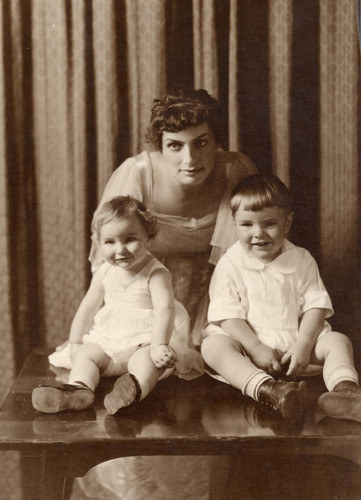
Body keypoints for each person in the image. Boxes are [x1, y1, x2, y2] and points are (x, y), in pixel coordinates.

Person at [70, 88, 257, 499]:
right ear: (160, 147)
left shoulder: (235, 170)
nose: (190, 159)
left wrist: (219, 328)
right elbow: (109, 259)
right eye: (175, 146)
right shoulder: (137, 174)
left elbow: (241, 261)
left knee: (204, 416)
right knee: (139, 420)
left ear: (217, 141)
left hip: (213, 301)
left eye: (201, 143)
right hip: (144, 305)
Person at [201, 174, 361, 423]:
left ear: (287, 223)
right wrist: (255, 348)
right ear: (234, 224)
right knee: (213, 347)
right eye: (246, 225)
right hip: (249, 350)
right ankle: (270, 390)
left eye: (269, 224)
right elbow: (226, 315)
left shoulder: (302, 259)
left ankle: (346, 392)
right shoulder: (230, 263)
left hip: (295, 349)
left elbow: (316, 305)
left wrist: (304, 344)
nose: (258, 233)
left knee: (338, 341)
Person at [32, 196, 203, 414]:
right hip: (109, 340)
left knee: (149, 361)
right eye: (110, 242)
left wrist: (159, 344)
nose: (120, 249)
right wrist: (75, 341)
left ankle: (134, 388)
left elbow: (164, 309)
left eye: (129, 239)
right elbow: (88, 306)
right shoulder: (105, 271)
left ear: (149, 239)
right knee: (86, 354)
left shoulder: (156, 273)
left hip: (146, 338)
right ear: (99, 242)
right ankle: (79, 389)